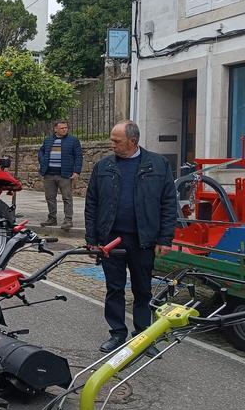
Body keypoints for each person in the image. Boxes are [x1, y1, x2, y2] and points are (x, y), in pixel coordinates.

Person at [85, 120, 176, 354]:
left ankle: (143, 336)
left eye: (117, 141)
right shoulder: (103, 166)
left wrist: (165, 238)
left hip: (142, 240)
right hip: (110, 240)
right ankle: (117, 333)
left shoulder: (158, 165)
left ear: (132, 142)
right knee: (114, 288)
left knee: (142, 289)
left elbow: (168, 203)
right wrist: (92, 238)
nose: (111, 144)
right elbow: (92, 202)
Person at [38, 120, 83, 231]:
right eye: (62, 128)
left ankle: (68, 220)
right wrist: (43, 161)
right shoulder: (48, 140)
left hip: (65, 174)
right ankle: (52, 219)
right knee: (50, 198)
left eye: (66, 128)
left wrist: (76, 172)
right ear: (55, 129)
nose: (64, 130)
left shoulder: (73, 141)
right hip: (49, 174)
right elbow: (41, 151)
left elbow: (78, 156)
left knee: (67, 198)